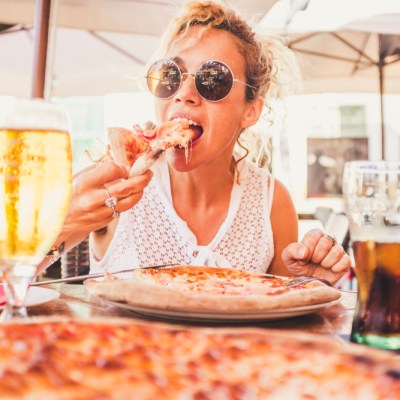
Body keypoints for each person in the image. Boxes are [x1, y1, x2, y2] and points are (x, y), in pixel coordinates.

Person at [39, 0, 350, 284]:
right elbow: (11, 268)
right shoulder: (116, 181)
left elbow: (283, 321)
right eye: (171, 75)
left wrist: (310, 283)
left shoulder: (272, 202)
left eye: (212, 79)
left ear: (251, 109)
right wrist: (63, 222)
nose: (184, 93)